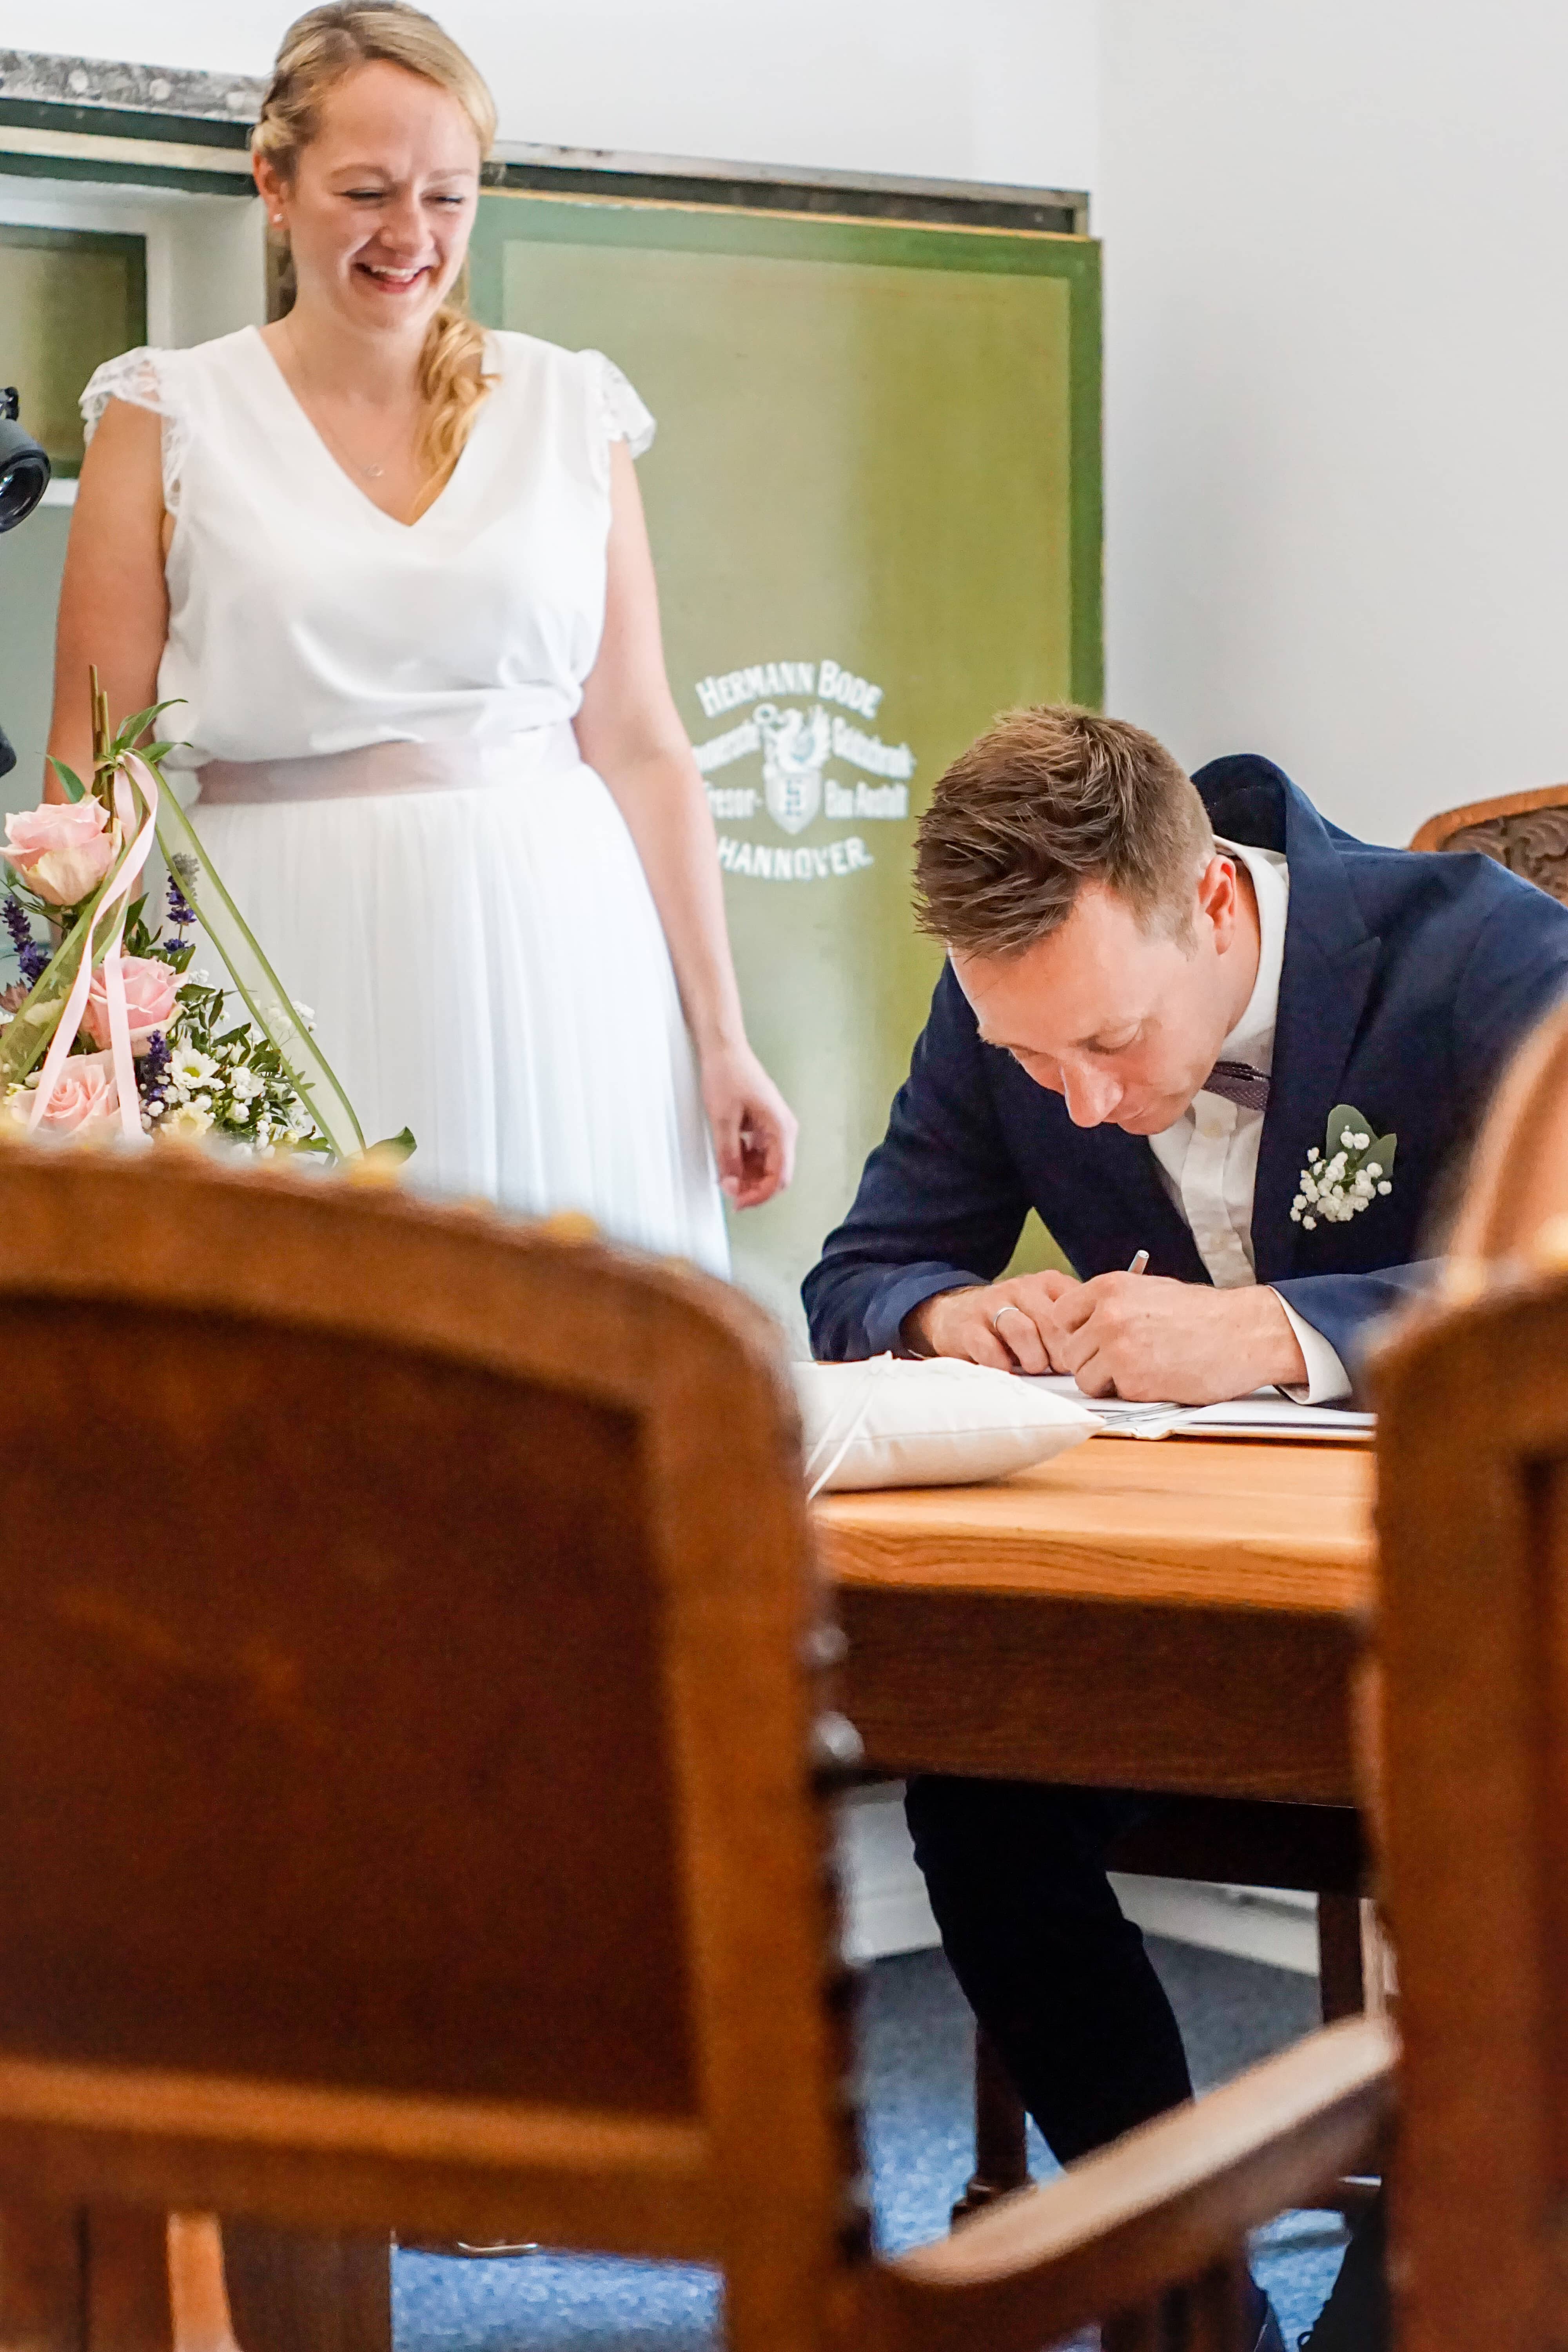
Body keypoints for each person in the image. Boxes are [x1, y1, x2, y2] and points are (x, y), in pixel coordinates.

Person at [804, 704, 1568, 2349]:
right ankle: (1185, 2302)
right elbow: (857, 1272)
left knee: (1499, 1853)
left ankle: (1424, 2301)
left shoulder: (1483, 953)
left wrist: (1286, 1330)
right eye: (1032, 1065)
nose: (1076, 1106)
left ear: (1214, 905)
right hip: (1174, 1598)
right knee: (981, 1803)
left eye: (1110, 1043)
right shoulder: (1008, 996)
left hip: (1464, 1619)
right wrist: (952, 1316)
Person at [47, 0, 792, 1262]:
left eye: (448, 198)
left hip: (560, 948)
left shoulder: (571, 404)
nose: (412, 237)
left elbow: (642, 741)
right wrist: (69, 1033)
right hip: (266, 943)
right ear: (273, 186)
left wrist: (722, 1036)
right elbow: (90, 767)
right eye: (369, 191)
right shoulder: (165, 412)